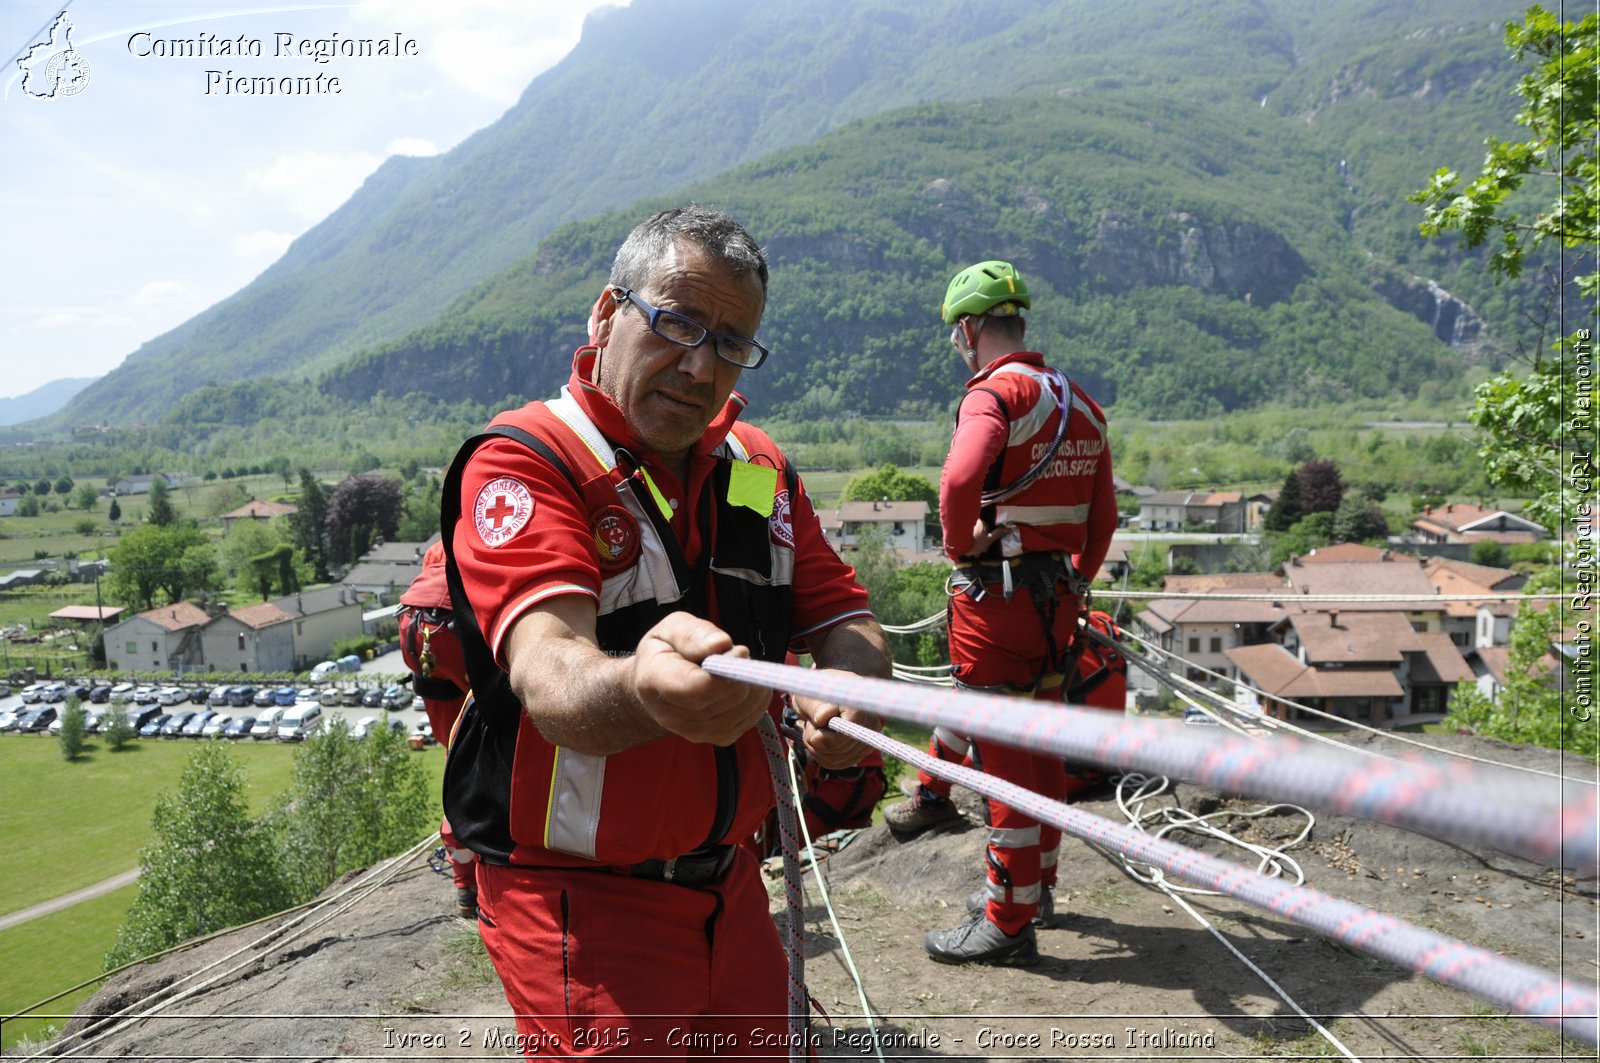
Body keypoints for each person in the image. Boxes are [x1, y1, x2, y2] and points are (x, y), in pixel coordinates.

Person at [443, 204, 891, 1055]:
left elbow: (845, 616)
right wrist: (646, 689)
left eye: (730, 340)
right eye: (677, 321)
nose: (698, 364)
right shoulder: (529, 464)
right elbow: (551, 673)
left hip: (732, 890)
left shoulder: (755, 471)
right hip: (581, 907)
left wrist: (849, 688)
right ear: (608, 315)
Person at [898, 260, 1116, 966]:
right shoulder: (1082, 403)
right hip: (1058, 604)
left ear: (969, 330)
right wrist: (1077, 579)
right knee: (1043, 746)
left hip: (998, 603)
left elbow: (961, 477)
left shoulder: (995, 394)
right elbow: (1103, 518)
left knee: (1004, 764)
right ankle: (1036, 885)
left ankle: (1007, 917)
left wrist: (961, 544)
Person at [396, 540, 478, 919]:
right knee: (492, 753)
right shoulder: (490, 533)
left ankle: (465, 885)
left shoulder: (438, 544)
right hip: (457, 638)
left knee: (455, 755)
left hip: (418, 640)